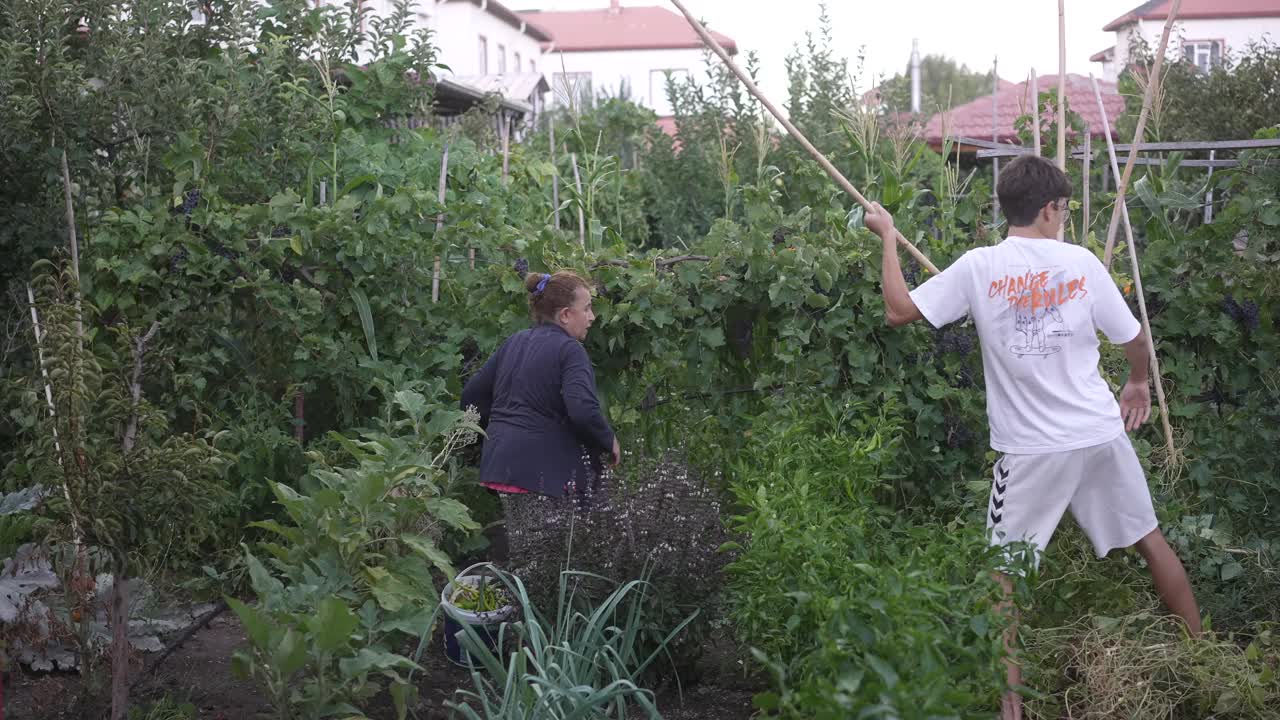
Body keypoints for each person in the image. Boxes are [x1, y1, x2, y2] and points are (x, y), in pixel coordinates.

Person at [866, 155, 1201, 720]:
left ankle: (1011, 710)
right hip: (1098, 433)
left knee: (1004, 579)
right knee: (1150, 539)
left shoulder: (978, 266)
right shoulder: (1082, 263)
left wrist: (890, 238)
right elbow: (1134, 339)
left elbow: (898, 310)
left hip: (1031, 450)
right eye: (1064, 209)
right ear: (1049, 209)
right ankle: (1204, 659)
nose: (1064, 218)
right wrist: (1138, 383)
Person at [461, 270, 620, 594]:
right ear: (565, 315)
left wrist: (496, 439)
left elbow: (472, 397)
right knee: (553, 573)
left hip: (504, 468)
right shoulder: (570, 351)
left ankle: (517, 636)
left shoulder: (514, 342)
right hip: (544, 476)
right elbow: (583, 410)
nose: (592, 317)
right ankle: (542, 638)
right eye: (587, 308)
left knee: (527, 561)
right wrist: (609, 441)